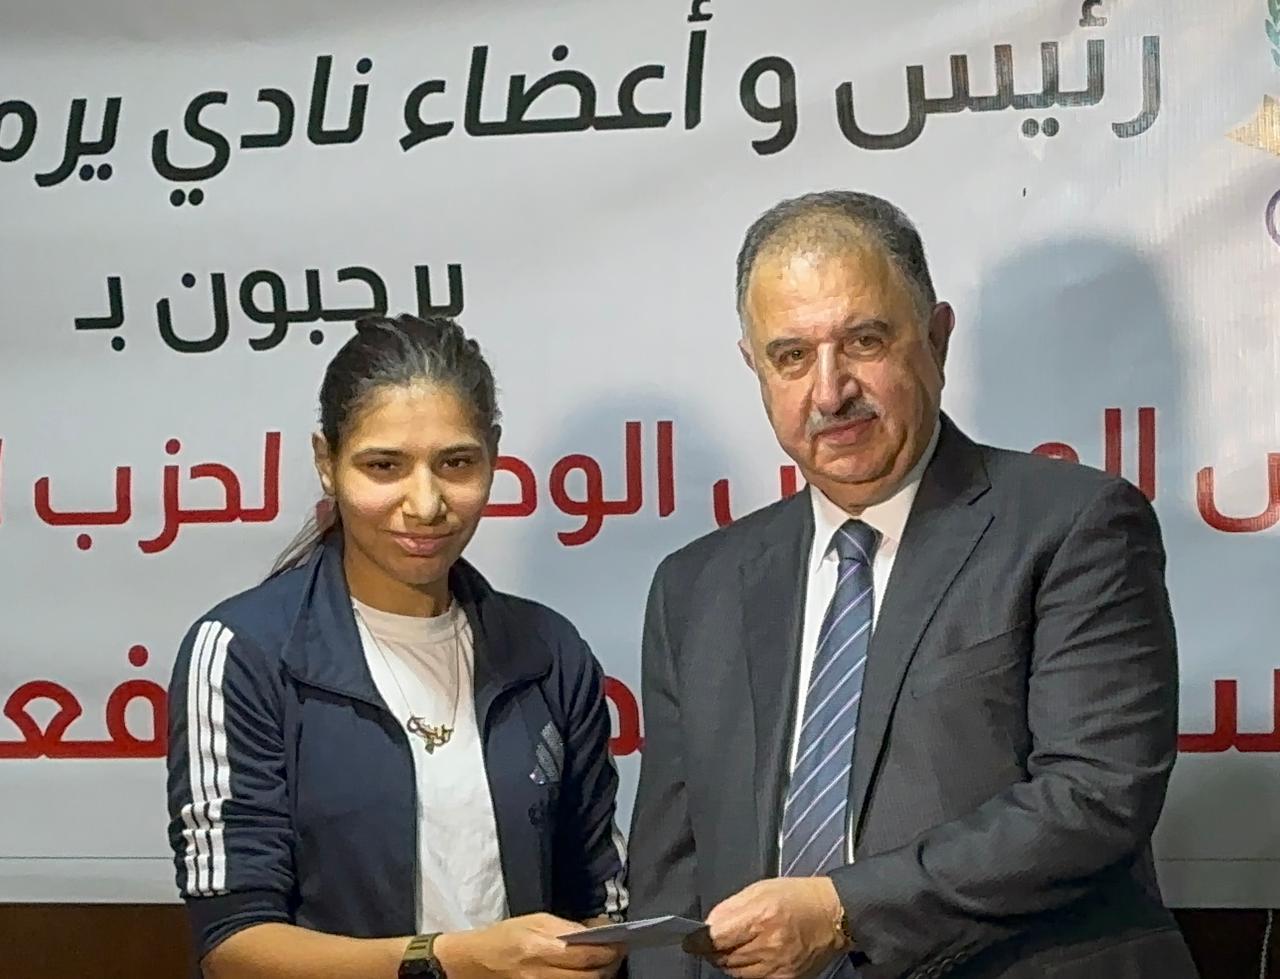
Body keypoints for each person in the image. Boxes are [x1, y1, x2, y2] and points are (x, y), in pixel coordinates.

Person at [626, 191, 1198, 979]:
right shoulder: (695, 588)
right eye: (791, 356)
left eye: (863, 341)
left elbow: (1094, 795)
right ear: (754, 366)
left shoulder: (1075, 525)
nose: (830, 392)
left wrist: (843, 910)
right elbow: (674, 874)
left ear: (936, 338)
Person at [166, 314, 628, 979]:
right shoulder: (242, 653)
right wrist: (450, 960)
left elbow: (599, 903)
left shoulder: (550, 653)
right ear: (326, 462)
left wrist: (593, 950)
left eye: (456, 463)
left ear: (494, 454)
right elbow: (235, 945)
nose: (426, 503)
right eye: (384, 466)